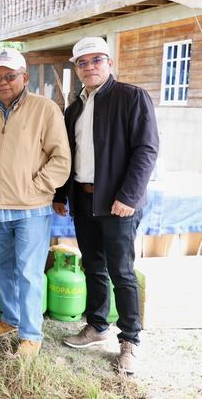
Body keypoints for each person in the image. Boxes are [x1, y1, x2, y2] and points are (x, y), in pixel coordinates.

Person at [54, 37, 159, 374]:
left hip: (118, 202)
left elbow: (146, 150)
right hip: (84, 199)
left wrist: (128, 197)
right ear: (77, 68)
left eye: (96, 60)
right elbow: (68, 156)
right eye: (82, 63)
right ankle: (97, 326)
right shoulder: (74, 108)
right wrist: (61, 194)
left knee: (122, 272)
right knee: (93, 266)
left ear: (109, 62)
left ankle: (130, 340)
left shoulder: (132, 97)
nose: (89, 67)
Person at [0, 48, 71, 357]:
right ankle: (11, 319)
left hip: (32, 209)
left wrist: (35, 187)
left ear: (24, 77)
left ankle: (31, 334)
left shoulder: (45, 109)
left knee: (29, 272)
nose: (3, 82)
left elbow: (61, 159)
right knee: (1, 267)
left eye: (10, 76)